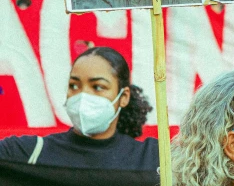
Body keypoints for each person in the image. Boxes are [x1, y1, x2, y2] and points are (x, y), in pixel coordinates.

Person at [0, 46, 158, 168]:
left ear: (123, 97)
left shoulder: (151, 158)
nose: (82, 95)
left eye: (97, 87)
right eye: (74, 85)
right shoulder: (27, 152)